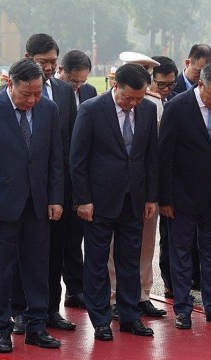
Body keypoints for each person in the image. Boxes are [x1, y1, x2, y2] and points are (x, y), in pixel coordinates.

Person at [0, 58, 64, 353]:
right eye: (26, 94)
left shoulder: (48, 109)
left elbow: (55, 159)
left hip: (37, 203)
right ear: (10, 84)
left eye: (37, 93)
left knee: (38, 266)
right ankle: (2, 329)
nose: (32, 100)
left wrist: (55, 198)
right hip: (1, 205)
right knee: (0, 269)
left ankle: (37, 325)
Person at [70, 63, 159, 341]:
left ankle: (131, 315)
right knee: (96, 262)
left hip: (134, 199)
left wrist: (151, 197)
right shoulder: (92, 109)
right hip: (98, 201)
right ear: (115, 85)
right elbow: (78, 159)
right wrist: (83, 200)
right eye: (128, 97)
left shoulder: (146, 109)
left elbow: (151, 157)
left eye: (139, 98)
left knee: (130, 260)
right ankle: (100, 320)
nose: (133, 103)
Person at [160, 62, 211, 329]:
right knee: (181, 253)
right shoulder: (177, 106)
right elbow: (165, 155)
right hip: (182, 195)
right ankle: (182, 308)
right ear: (200, 84)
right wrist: (166, 198)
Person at [23, 33, 78, 332]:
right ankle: (24, 311)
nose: (48, 67)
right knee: (25, 254)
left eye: (53, 62)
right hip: (23, 190)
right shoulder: (9, 92)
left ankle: (51, 310)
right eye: (43, 61)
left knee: (56, 251)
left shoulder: (64, 91)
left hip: (57, 187)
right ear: (28, 57)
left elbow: (68, 145)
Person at [106, 52, 167, 320]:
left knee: (144, 245)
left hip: (142, 189)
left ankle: (142, 293)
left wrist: (153, 193)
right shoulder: (106, 104)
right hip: (113, 189)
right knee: (111, 248)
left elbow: (156, 154)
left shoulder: (153, 105)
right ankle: (113, 294)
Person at [56, 49, 97, 309]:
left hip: (83, 176)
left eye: (82, 81)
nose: (77, 86)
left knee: (76, 235)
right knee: (60, 238)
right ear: (62, 71)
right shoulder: (55, 93)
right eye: (73, 80)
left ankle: (76, 288)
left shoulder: (90, 93)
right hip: (60, 173)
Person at [147, 56, 188, 299]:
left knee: (165, 239)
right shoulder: (144, 104)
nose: (165, 90)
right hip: (147, 183)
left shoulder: (174, 103)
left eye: (171, 85)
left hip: (172, 183)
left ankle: (157, 289)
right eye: (161, 84)